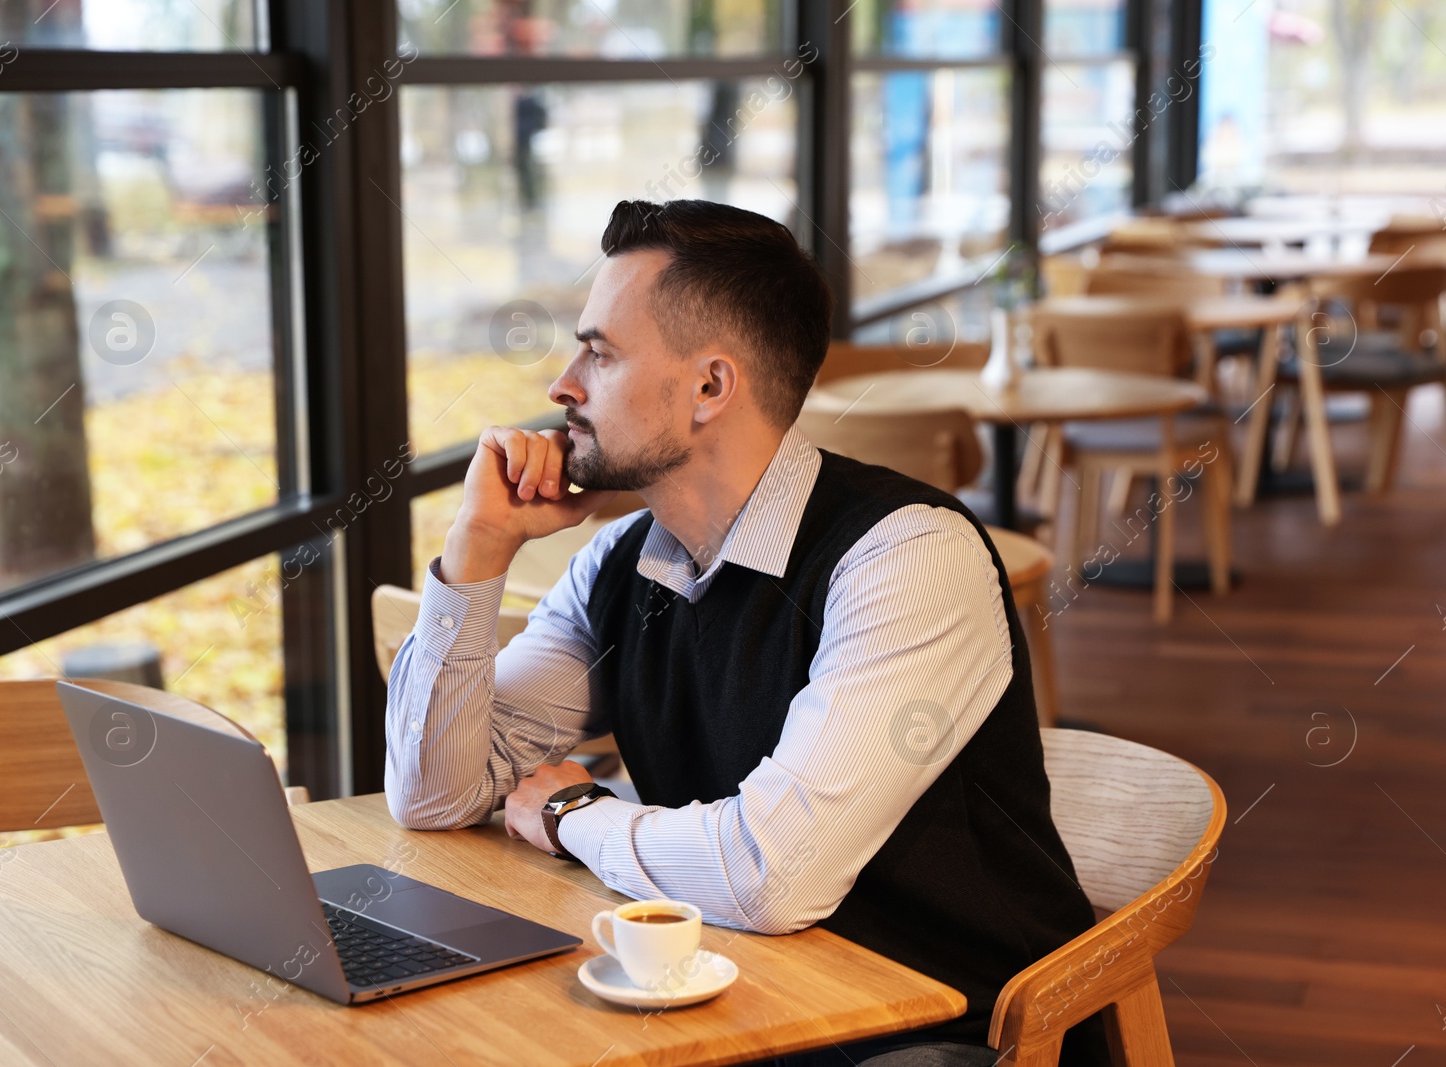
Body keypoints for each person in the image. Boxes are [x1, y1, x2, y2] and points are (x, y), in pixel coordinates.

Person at [384, 199, 1106, 1065]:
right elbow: (434, 797)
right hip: (736, 999)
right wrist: (477, 551)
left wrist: (577, 811)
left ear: (711, 388)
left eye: (599, 352)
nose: (562, 384)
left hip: (944, 1029)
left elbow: (773, 874)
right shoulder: (620, 561)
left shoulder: (908, 555)